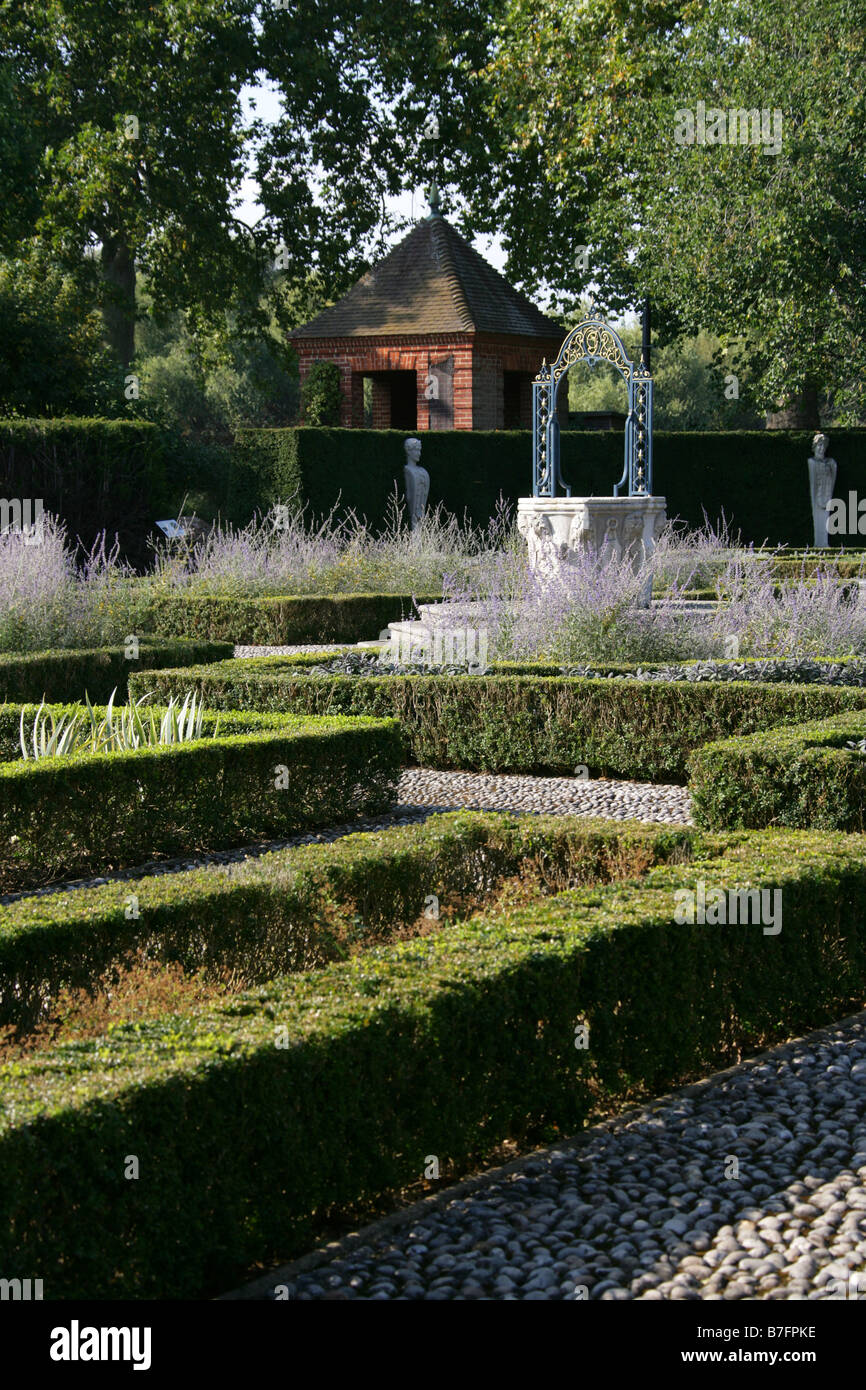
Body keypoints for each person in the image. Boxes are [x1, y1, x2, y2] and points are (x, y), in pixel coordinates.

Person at [403, 437, 430, 531]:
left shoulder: (422, 471)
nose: (419, 453)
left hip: (420, 512)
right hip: (413, 513)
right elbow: (410, 495)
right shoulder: (408, 470)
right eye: (416, 450)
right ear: (409, 451)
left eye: (419, 450)